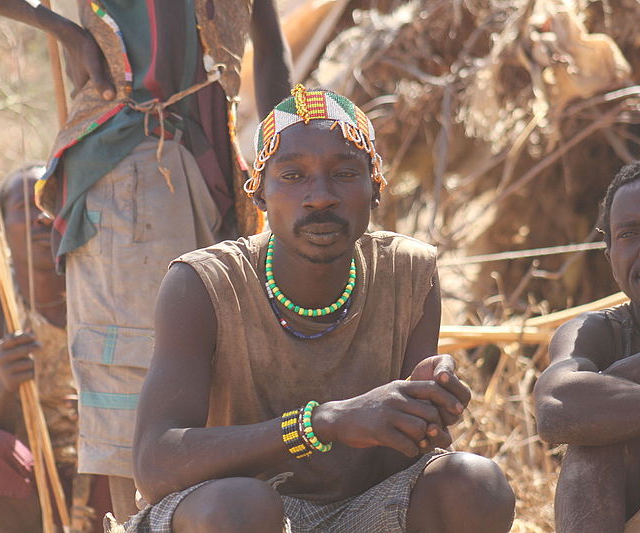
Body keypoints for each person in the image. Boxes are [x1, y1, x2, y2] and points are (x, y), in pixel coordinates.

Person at [117, 86, 516, 533]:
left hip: (358, 512)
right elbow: (154, 465)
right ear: (259, 194)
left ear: (375, 188)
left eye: (345, 174)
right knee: (243, 505)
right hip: (231, 513)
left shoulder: (407, 271)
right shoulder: (203, 284)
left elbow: (399, 465)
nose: (321, 196)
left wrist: (421, 414)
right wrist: (321, 423)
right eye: (293, 176)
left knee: (474, 484)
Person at [0, 0, 292, 520]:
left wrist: (284, 155)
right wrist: (64, 31)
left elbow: (268, 40)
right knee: (141, 396)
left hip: (212, 170)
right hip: (135, 160)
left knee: (211, 388)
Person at [0, 166, 111, 533]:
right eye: (25, 206)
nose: (42, 217)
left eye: (52, 203)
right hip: (30, 482)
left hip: (105, 469)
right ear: (0, 227)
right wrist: (4, 385)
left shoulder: (103, 288)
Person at [534, 158, 640, 533]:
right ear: (611, 259)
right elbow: (556, 408)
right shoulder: (597, 332)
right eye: (630, 234)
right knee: (594, 439)